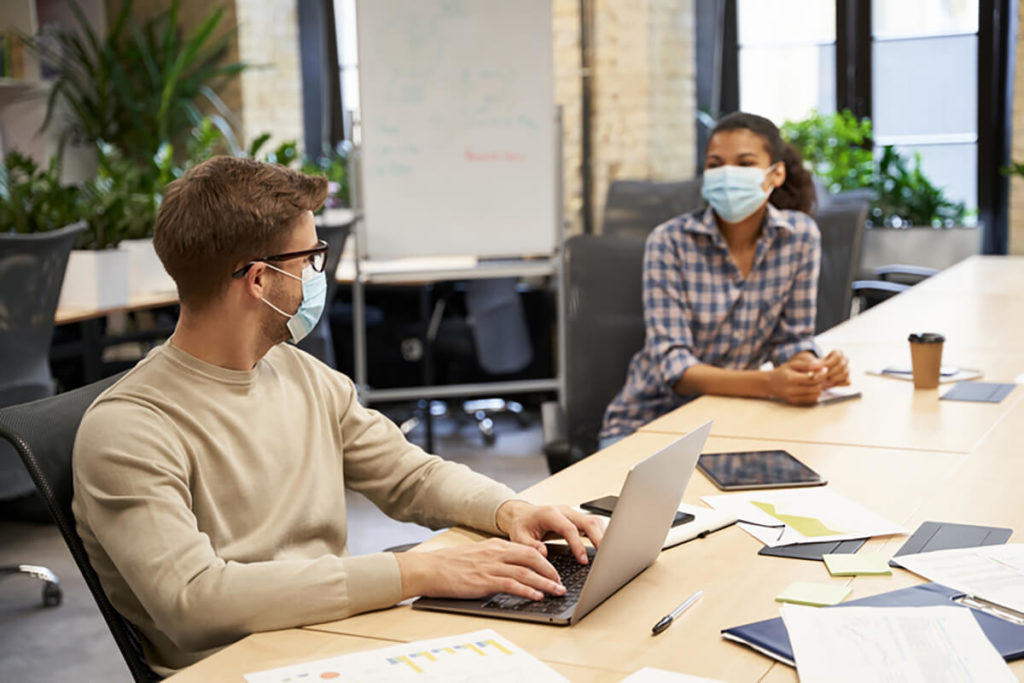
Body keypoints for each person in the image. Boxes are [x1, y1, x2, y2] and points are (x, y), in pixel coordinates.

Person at [71, 157, 605, 675]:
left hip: (342, 642)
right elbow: (195, 601)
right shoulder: (127, 430)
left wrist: (508, 511)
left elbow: (409, 475)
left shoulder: (304, 376)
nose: (317, 275)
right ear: (258, 280)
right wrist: (413, 570)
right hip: (247, 668)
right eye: (310, 259)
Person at [600, 112, 850, 446]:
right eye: (716, 165)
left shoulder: (799, 236)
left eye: (745, 163)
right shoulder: (669, 241)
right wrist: (770, 384)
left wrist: (811, 370)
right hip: (651, 422)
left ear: (776, 174)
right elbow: (677, 369)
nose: (728, 175)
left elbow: (791, 341)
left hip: (734, 419)